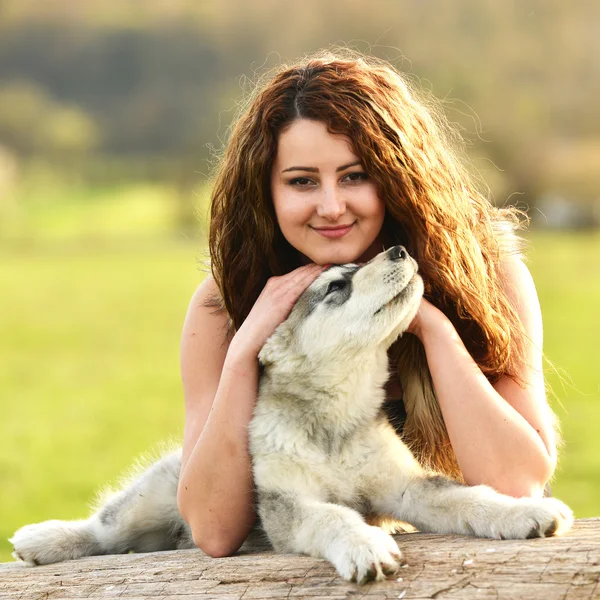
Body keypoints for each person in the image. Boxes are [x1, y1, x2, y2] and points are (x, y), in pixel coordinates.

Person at [176, 49, 558, 558]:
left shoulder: (488, 276)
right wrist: (248, 347)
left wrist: (429, 324)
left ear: (396, 177)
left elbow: (517, 489)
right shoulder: (224, 306)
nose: (331, 206)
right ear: (264, 191)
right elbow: (214, 530)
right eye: (302, 181)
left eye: (355, 175)